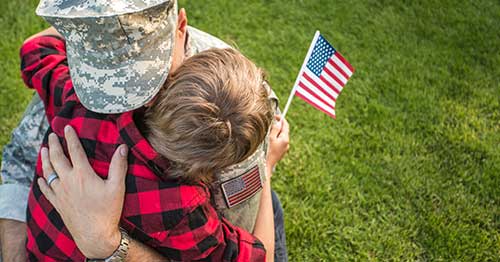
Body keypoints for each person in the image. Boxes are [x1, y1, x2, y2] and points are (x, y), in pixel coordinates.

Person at [0, 0, 288, 261]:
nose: (133, 90)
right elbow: (255, 256)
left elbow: (37, 51)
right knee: (271, 206)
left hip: (39, 252)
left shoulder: (79, 105)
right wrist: (266, 169)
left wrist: (90, 29)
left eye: (148, 73)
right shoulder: (185, 209)